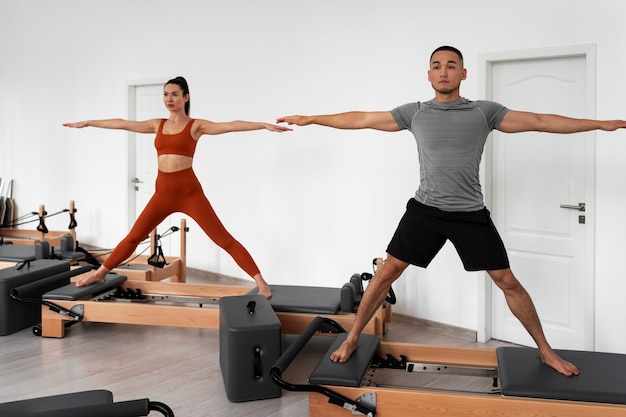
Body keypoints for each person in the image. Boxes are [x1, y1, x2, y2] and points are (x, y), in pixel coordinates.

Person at [277, 45, 626, 376]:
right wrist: (312, 118)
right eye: (437, 66)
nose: (444, 72)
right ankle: (352, 338)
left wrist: (599, 124)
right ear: (428, 75)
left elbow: (540, 120)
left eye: (451, 65)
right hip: (425, 210)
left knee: (507, 281)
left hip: (469, 213)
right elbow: (362, 119)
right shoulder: (415, 112)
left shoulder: (483, 112)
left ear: (463, 73)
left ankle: (547, 352)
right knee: (385, 274)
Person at [64, 76, 291, 298]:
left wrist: (262, 125)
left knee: (224, 239)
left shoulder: (196, 126)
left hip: (189, 194)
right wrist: (88, 123)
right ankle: (101, 273)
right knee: (133, 237)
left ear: (186, 97)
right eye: (165, 94)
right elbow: (122, 123)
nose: (168, 99)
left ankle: (261, 282)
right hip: (162, 194)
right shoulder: (157, 124)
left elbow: (230, 126)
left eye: (174, 94)